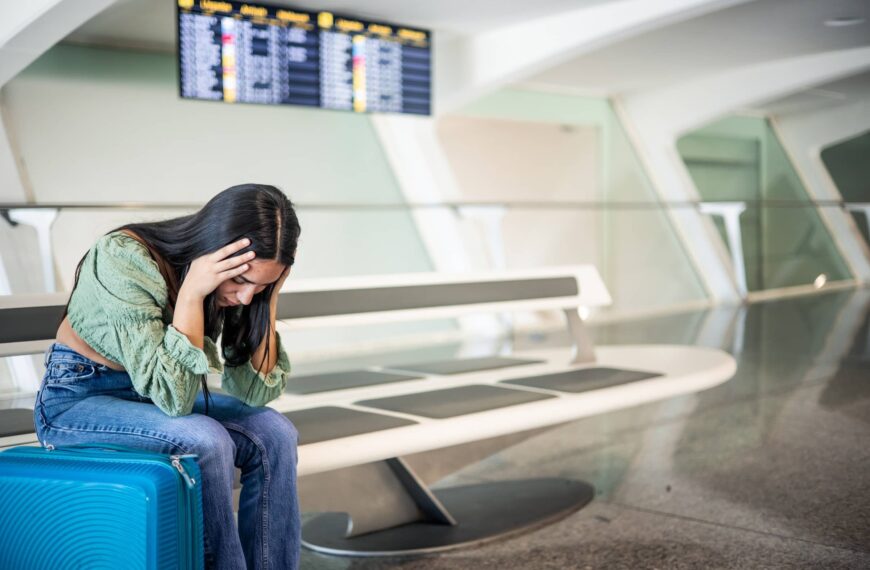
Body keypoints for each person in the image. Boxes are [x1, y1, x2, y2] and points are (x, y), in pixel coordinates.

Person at [33, 183, 302, 570]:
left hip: (150, 401)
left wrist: (268, 297)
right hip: (77, 400)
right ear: (213, 249)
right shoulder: (123, 257)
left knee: (274, 433)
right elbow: (174, 398)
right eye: (241, 282)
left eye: (260, 285)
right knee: (205, 439)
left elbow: (254, 390)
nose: (245, 297)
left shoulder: (243, 289)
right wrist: (192, 294)